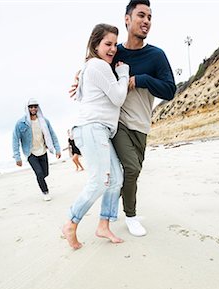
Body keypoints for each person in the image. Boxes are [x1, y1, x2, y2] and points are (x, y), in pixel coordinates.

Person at [110, 0, 176, 236]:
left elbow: (170, 90)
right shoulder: (114, 51)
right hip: (117, 122)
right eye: (141, 15)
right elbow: (94, 64)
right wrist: (81, 75)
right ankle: (130, 216)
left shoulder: (156, 56)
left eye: (149, 17)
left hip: (141, 125)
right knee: (131, 168)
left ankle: (110, 204)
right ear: (127, 19)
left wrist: (141, 80)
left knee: (130, 171)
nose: (146, 21)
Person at [62, 23, 130, 250]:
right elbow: (119, 97)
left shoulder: (91, 68)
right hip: (92, 128)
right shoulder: (98, 66)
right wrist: (123, 73)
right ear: (95, 45)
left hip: (97, 129)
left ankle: (103, 224)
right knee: (100, 180)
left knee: (116, 178)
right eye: (107, 44)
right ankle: (71, 223)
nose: (112, 49)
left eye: (114, 45)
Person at [12, 98, 61, 201]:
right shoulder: (21, 123)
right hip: (30, 152)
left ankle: (41, 181)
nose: (33, 108)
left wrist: (57, 149)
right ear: (27, 108)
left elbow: (52, 135)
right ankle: (45, 192)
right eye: (31, 107)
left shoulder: (44, 121)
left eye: (35, 106)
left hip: (43, 150)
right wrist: (17, 157)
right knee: (39, 173)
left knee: (45, 173)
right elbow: (15, 140)